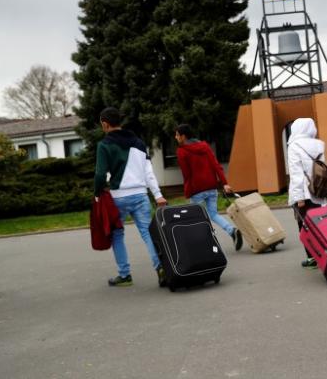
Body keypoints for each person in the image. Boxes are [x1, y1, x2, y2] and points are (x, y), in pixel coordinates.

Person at [94, 107, 166, 287]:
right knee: (147, 233)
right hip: (141, 196)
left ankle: (125, 275)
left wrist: (97, 194)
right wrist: (158, 195)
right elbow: (149, 172)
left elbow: (100, 174)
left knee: (117, 235)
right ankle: (161, 269)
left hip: (118, 198)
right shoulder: (139, 142)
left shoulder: (104, 145)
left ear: (105, 123)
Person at [175, 124, 242, 252]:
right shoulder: (204, 146)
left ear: (183, 136)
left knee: (196, 218)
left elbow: (186, 174)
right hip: (211, 187)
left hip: (196, 190)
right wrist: (225, 183)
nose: (176, 137)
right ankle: (232, 231)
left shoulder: (182, 151)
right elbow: (216, 165)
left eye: (177, 135)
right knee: (213, 214)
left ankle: (208, 244)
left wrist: (188, 190)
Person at [287, 117, 327, 268]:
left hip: (304, 193)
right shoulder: (319, 145)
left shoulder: (294, 146)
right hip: (318, 190)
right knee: (320, 224)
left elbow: (296, 173)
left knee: (304, 226)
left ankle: (312, 257)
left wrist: (299, 198)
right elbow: (323, 170)